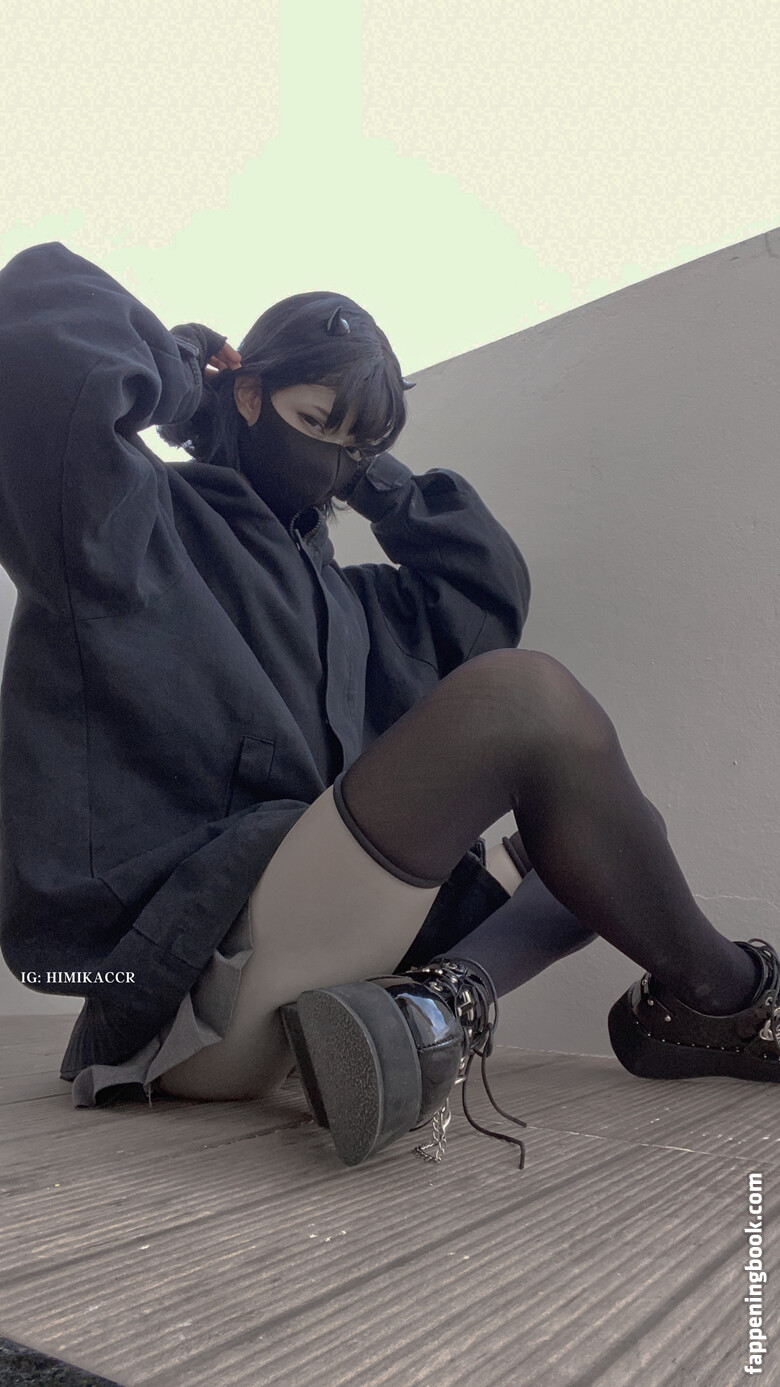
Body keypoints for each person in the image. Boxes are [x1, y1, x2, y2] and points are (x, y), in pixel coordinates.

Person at [0, 242, 777, 1174]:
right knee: (525, 696)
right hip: (190, 989)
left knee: (602, 845)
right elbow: (37, 330)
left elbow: (486, 585)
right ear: (247, 394)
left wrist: (369, 464)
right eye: (315, 422)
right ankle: (733, 997)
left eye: (356, 446)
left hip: (302, 973)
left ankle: (427, 1013)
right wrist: (186, 384)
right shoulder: (135, 522)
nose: (331, 462)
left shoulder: (350, 601)